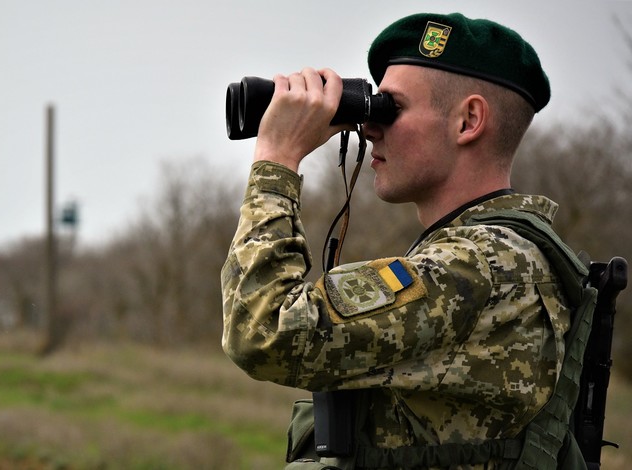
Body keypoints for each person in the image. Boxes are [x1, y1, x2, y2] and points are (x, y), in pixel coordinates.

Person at [220, 12, 573, 468]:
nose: (368, 127)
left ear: (469, 120)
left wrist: (278, 158)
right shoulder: (498, 257)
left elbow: (262, 332)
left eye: (392, 108)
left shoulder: (480, 265)